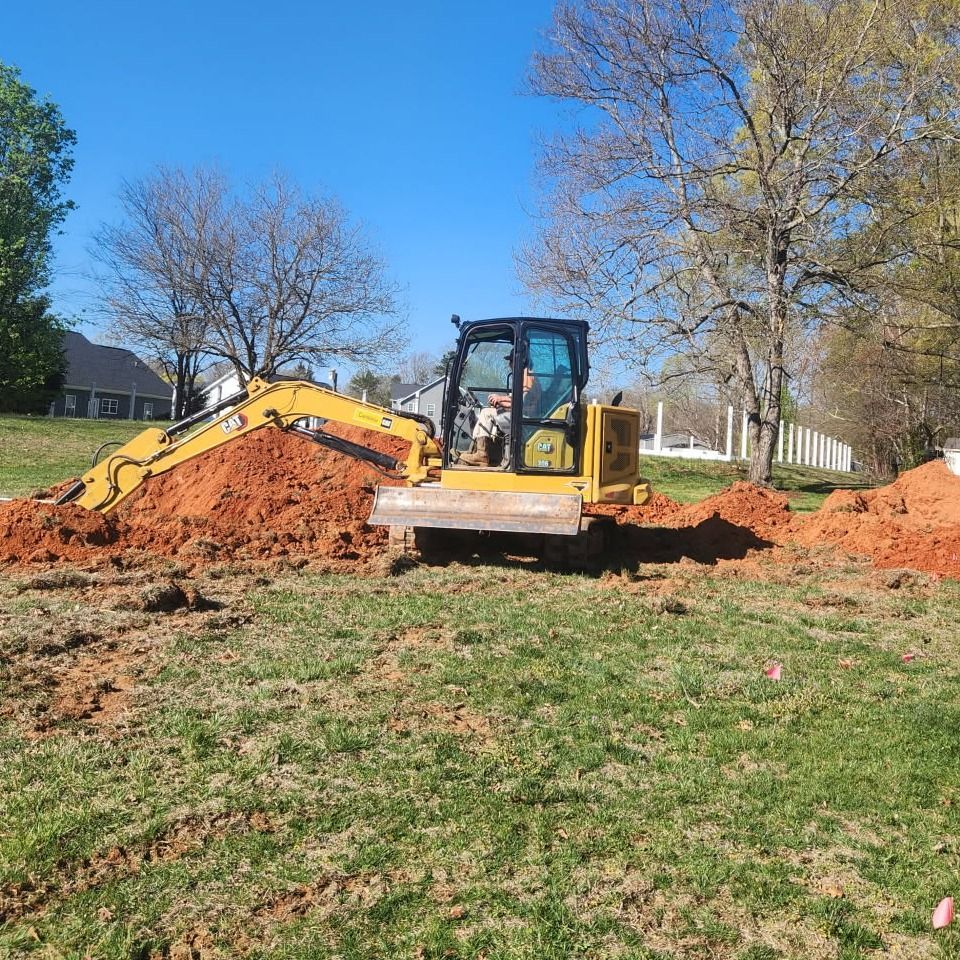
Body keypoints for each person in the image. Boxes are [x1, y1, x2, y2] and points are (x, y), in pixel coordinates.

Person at [458, 352, 539, 467]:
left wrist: (500, 399)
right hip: (521, 413)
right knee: (490, 412)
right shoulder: (525, 376)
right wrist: (500, 402)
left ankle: (481, 454)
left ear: (520, 362)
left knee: (486, 413)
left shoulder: (527, 377)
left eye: (511, 361)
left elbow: (522, 402)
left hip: (524, 417)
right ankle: (478, 452)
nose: (509, 364)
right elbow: (516, 400)